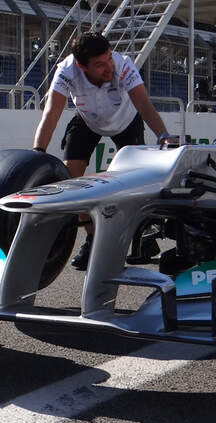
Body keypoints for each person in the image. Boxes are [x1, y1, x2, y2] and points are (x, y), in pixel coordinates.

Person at [33, 32, 173, 269]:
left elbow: (144, 105)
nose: (108, 67)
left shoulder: (123, 65)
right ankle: (91, 239)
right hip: (88, 120)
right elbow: (51, 113)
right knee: (72, 177)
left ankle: (145, 236)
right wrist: (37, 152)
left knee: (136, 178)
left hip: (127, 120)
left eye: (109, 58)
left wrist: (165, 137)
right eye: (99, 64)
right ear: (81, 66)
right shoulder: (66, 71)